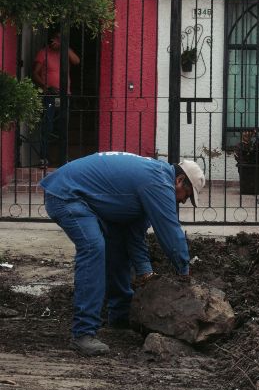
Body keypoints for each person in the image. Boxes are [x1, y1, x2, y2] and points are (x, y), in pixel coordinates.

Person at [40, 152, 205, 356]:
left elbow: (134, 236)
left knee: (117, 245)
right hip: (66, 194)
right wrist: (184, 274)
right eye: (186, 196)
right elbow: (170, 232)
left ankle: (119, 315)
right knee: (93, 248)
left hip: (81, 196)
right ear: (179, 181)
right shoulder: (158, 183)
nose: (183, 202)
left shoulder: (151, 183)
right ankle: (83, 333)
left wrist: (146, 272)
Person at [32, 29, 80, 167]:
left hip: (65, 95)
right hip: (50, 95)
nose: (55, 42)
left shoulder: (65, 52)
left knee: (63, 126)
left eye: (59, 39)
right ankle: (44, 157)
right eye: (54, 39)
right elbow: (35, 73)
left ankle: (63, 158)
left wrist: (64, 46)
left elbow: (76, 61)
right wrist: (46, 86)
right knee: (47, 125)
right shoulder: (44, 52)